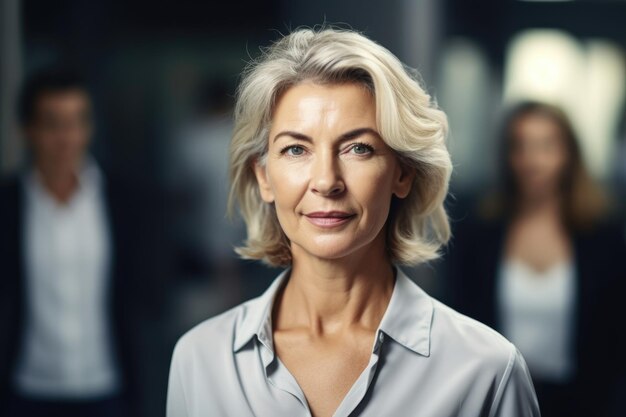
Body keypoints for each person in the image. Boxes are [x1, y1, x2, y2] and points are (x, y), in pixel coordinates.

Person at [166, 27, 540, 417]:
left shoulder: (485, 370)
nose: (326, 181)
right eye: (296, 149)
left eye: (358, 148)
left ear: (402, 173)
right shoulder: (200, 360)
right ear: (263, 177)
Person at [0, 68, 166, 417]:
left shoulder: (123, 201)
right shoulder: (9, 205)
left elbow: (146, 295)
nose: (67, 137)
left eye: (77, 122)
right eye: (52, 124)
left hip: (108, 390)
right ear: (27, 130)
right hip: (24, 391)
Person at [446, 101, 626, 417]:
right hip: (494, 397)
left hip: (583, 403)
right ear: (508, 155)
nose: (533, 160)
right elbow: (459, 323)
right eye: (521, 146)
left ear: (569, 154)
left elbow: (614, 339)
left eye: (546, 146)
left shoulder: (603, 237)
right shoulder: (480, 232)